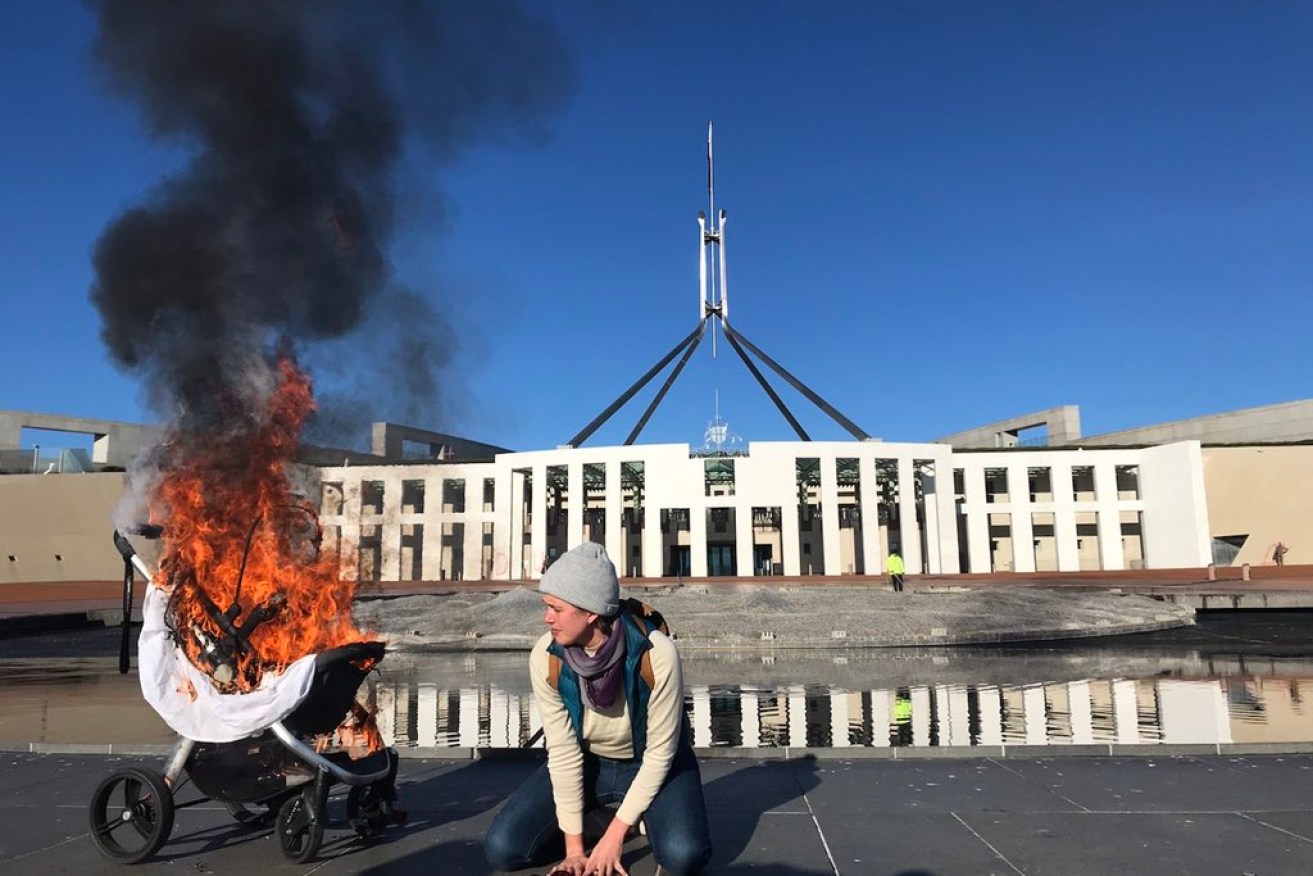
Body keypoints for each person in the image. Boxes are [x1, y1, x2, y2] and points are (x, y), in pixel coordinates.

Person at [484, 542, 712, 876]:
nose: (547, 618)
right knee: (504, 849)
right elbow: (563, 752)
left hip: (650, 761)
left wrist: (613, 839)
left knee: (684, 855)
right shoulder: (546, 657)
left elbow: (662, 753)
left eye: (556, 609)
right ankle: (609, 815)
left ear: (590, 612)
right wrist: (574, 851)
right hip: (589, 762)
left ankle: (628, 818)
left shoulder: (656, 653)